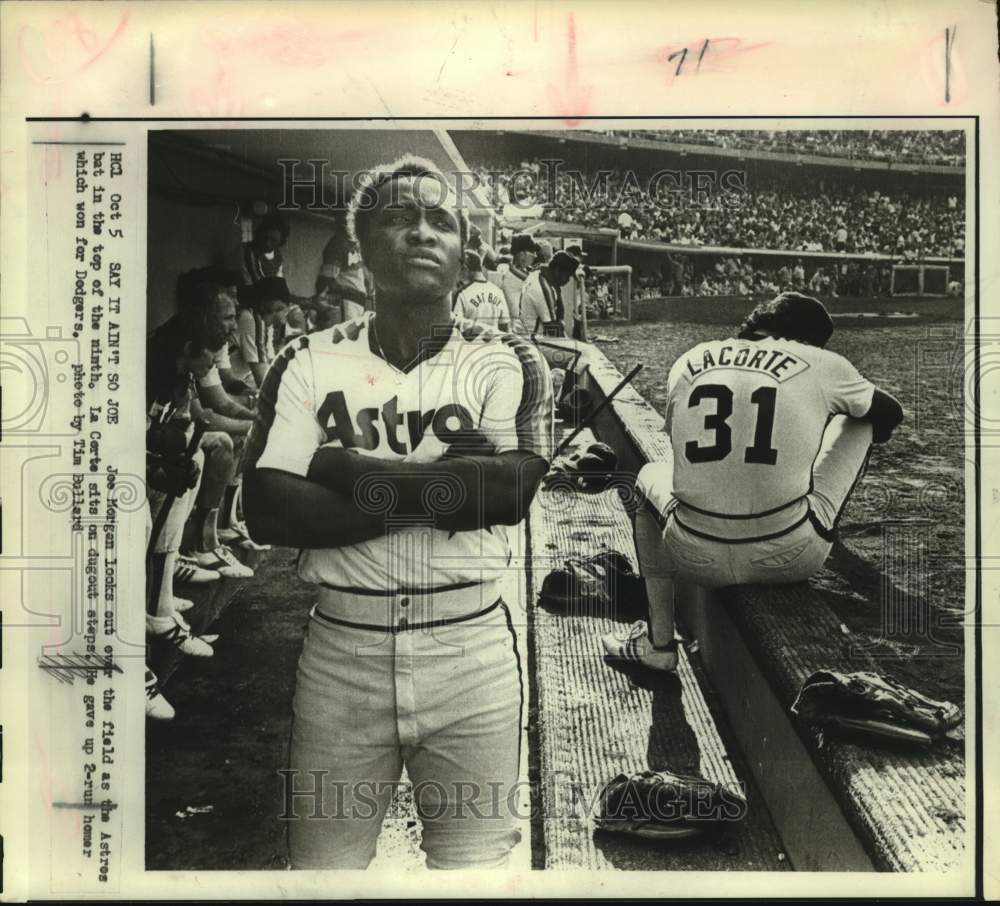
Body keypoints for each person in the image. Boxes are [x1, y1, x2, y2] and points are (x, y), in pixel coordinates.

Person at [243, 155, 553, 869]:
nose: (421, 232)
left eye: (441, 220)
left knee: (475, 868)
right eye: (398, 217)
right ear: (360, 247)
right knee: (324, 867)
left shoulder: (510, 359)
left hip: (470, 643)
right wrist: (446, 488)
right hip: (342, 649)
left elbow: (509, 491)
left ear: (466, 254)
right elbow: (267, 509)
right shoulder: (306, 357)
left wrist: (346, 471)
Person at [602, 293, 903, 670]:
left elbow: (679, 445)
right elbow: (891, 412)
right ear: (808, 341)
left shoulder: (690, 358)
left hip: (693, 555)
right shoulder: (822, 362)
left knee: (648, 476)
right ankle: (828, 533)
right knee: (861, 417)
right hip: (792, 554)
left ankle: (658, 642)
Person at [232, 276, 290, 389]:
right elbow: (263, 381)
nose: (285, 313)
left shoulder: (265, 324)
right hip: (229, 385)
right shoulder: (251, 320)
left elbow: (271, 362)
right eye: (280, 308)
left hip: (243, 380)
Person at [518, 250, 580, 336]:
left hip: (526, 331)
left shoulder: (540, 273)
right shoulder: (544, 288)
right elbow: (553, 329)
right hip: (532, 338)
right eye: (567, 275)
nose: (568, 280)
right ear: (557, 270)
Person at [452, 249, 509, 330]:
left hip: (470, 342)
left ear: (465, 268)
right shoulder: (498, 291)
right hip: (495, 341)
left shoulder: (462, 294)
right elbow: (505, 327)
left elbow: (455, 328)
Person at [500, 233, 539, 334]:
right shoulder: (514, 271)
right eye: (532, 252)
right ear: (522, 254)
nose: (535, 255)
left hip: (522, 325)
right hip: (519, 327)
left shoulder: (518, 269)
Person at [234, 213, 288, 285]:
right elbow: (254, 282)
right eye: (265, 237)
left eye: (274, 240)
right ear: (260, 233)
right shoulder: (247, 252)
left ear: (281, 242)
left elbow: (279, 282)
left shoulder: (277, 256)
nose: (267, 243)